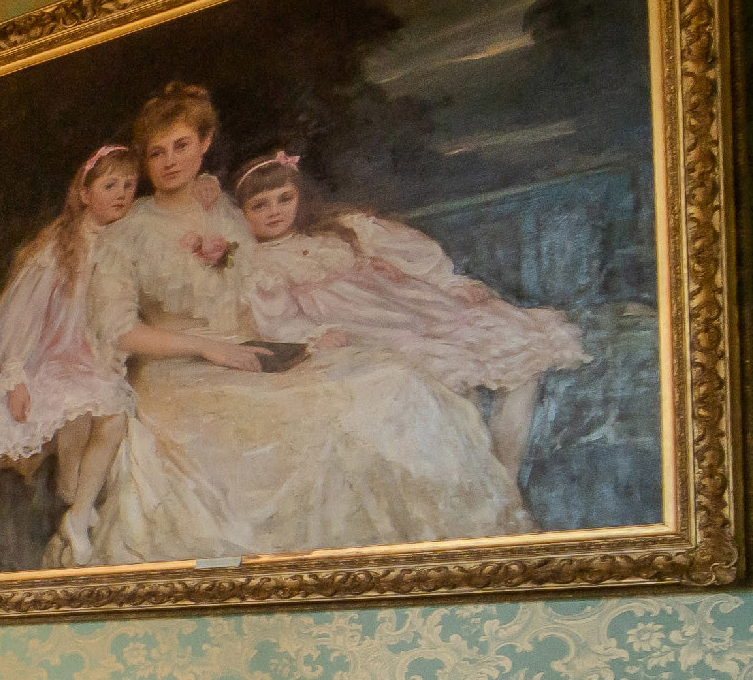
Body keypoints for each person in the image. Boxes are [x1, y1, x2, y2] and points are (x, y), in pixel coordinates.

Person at [75, 81, 531, 565]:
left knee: (393, 380)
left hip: (254, 351)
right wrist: (209, 348)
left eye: (181, 145)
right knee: (318, 419)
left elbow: (266, 288)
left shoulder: (225, 209)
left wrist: (303, 337)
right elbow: (119, 331)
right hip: (178, 376)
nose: (170, 161)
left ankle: (439, 553)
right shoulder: (124, 233)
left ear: (205, 143)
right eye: (156, 152)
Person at [231, 148, 584, 473]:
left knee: (520, 361)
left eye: (284, 199)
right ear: (241, 214)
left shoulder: (338, 231)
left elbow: (416, 255)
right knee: (454, 387)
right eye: (259, 205)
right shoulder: (260, 265)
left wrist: (444, 282)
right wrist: (315, 335)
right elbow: (276, 319)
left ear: (300, 197)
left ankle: (504, 471)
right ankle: (480, 479)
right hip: (368, 331)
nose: (275, 211)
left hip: (412, 308)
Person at [0, 142, 144, 562]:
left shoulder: (128, 238)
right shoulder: (58, 247)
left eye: (130, 185)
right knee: (83, 419)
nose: (121, 195)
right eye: (110, 185)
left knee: (110, 417)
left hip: (96, 360)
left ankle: (78, 512)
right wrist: (15, 376)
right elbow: (20, 315)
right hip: (51, 361)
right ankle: (76, 506)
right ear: (84, 193)